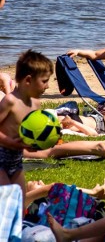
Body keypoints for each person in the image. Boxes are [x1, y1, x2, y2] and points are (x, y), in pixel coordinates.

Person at [0, 50, 53, 208]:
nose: (48, 86)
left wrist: (47, 138)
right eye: (44, 81)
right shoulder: (10, 101)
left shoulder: (36, 104)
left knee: (20, 205)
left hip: (16, 162)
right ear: (28, 80)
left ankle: (17, 231)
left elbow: (34, 132)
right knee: (5, 203)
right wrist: (10, 142)